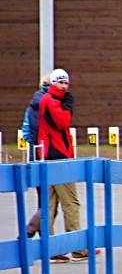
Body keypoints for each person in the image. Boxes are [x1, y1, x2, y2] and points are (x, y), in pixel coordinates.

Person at [37, 69, 84, 262]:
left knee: (49, 205)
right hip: (58, 158)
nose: (64, 87)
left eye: (66, 83)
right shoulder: (52, 101)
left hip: (47, 157)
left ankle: (51, 249)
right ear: (53, 83)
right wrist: (68, 105)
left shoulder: (47, 100)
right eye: (60, 83)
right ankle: (77, 248)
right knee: (71, 203)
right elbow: (62, 122)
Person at [21, 73, 51, 237]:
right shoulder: (52, 103)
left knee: (44, 198)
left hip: (35, 154)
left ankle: (44, 236)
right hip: (49, 155)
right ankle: (31, 231)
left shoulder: (31, 106)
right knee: (50, 201)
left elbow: (26, 133)